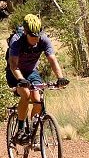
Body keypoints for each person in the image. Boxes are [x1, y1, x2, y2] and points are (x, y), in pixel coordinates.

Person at [6, 14, 69, 143]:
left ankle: (33, 129)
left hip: (31, 71)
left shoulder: (44, 40)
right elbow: (13, 65)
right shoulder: (17, 41)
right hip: (15, 73)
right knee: (26, 94)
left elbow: (52, 60)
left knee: (37, 99)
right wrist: (20, 80)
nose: (35, 39)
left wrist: (60, 77)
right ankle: (21, 129)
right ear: (26, 33)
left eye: (37, 36)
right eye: (32, 36)